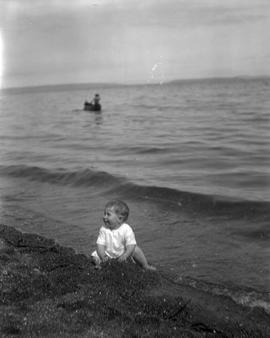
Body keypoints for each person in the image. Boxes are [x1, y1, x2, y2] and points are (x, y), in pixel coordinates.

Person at [91, 200, 156, 271]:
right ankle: (99, 265)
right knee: (95, 256)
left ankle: (145, 265)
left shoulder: (126, 229)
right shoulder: (103, 229)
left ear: (120, 218)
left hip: (122, 253)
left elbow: (131, 245)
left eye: (108, 214)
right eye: (104, 214)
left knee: (136, 249)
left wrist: (125, 255)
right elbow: (100, 245)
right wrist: (103, 256)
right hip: (108, 254)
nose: (104, 217)